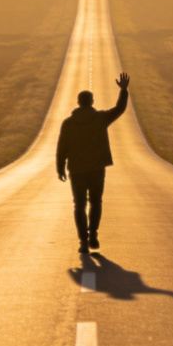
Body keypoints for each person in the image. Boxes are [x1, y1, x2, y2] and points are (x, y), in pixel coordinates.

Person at [56, 72, 130, 253]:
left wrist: (60, 169)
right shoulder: (100, 119)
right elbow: (119, 109)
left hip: (77, 170)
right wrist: (124, 90)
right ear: (92, 102)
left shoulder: (68, 123)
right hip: (97, 169)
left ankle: (83, 241)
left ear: (78, 102)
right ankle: (93, 234)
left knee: (79, 205)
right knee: (96, 202)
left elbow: (62, 148)